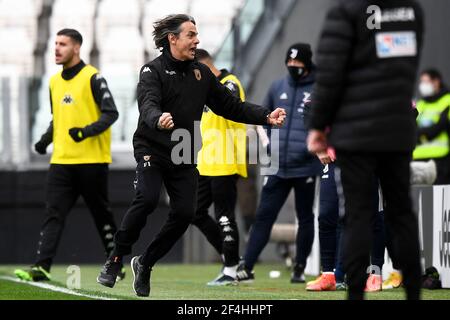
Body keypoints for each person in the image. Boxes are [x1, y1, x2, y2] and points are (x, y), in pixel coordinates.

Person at [96, 14, 286, 297]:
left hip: (184, 151)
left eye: (197, 35)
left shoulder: (202, 74)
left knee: (185, 214)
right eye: (191, 35)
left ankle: (145, 263)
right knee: (147, 199)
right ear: (172, 39)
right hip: (152, 149)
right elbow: (147, 104)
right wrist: (158, 118)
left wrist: (265, 116)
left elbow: (230, 106)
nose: (197, 40)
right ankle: (115, 260)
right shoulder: (152, 71)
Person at [307, 0, 424, 300]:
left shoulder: (346, 10)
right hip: (397, 127)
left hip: (356, 131)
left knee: (357, 215)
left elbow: (330, 74)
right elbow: (405, 68)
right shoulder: (410, 10)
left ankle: (356, 293)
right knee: (401, 214)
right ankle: (413, 294)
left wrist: (319, 127)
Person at [14, 29, 120, 282]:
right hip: (61, 161)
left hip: (92, 161)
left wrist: (85, 132)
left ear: (76, 48)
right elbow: (58, 119)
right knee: (54, 213)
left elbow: (111, 113)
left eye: (63, 44)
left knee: (101, 215)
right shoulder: (54, 81)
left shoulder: (93, 77)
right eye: (55, 44)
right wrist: (44, 141)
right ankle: (41, 267)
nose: (57, 49)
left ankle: (115, 262)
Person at [236, 43, 321, 284]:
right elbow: (262, 118)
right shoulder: (277, 86)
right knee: (264, 216)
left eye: (298, 63)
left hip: (305, 164)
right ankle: (247, 266)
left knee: (305, 217)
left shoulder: (319, 87)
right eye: (290, 62)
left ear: (307, 63)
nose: (293, 66)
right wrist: (267, 145)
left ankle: (300, 268)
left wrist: (314, 148)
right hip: (276, 164)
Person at [190, 48, 248, 286]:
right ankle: (231, 257)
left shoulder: (230, 83)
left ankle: (232, 270)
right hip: (206, 162)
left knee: (224, 215)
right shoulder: (203, 89)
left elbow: (233, 111)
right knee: (195, 212)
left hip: (225, 161)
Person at [413, 69, 450, 184]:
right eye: (422, 82)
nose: (423, 86)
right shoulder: (421, 104)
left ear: (436, 82)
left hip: (440, 160)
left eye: (426, 81)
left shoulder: (447, 101)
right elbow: (411, 127)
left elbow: (439, 127)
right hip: (418, 161)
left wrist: (421, 133)